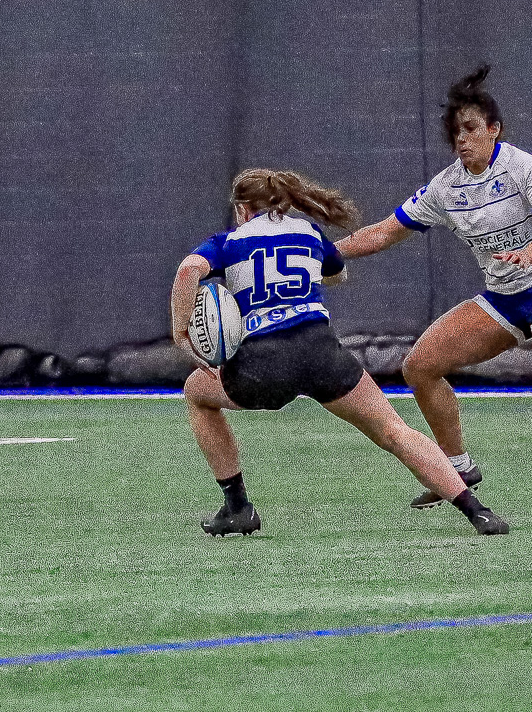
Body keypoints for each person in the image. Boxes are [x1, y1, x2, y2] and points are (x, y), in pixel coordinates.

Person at [336, 66, 532, 528]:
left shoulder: (522, 167)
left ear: (494, 129)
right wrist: (323, 254)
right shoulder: (446, 187)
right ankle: (457, 465)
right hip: (504, 297)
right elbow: (385, 232)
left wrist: (529, 253)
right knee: (419, 366)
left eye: (471, 128)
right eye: (455, 132)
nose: (462, 139)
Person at [172, 168, 509, 537]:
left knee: (196, 393)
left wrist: (181, 332)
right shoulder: (309, 233)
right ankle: (478, 512)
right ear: (285, 203)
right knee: (394, 430)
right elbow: (337, 274)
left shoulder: (229, 242)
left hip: (262, 364)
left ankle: (237, 506)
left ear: (242, 208)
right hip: (321, 353)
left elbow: (190, 270)